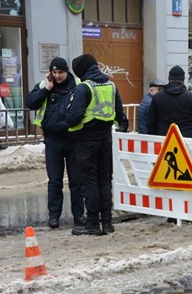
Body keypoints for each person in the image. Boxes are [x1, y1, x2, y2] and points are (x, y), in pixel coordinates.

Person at [66, 53, 129, 236]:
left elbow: (73, 118)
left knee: (89, 182)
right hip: (105, 139)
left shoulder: (83, 88)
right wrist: (121, 130)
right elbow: (120, 114)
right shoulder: (111, 85)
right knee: (104, 181)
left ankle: (93, 224)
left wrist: (67, 116)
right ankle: (107, 223)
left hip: (86, 141)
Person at [26, 57, 85, 229]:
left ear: (67, 71)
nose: (57, 75)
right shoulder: (44, 85)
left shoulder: (79, 85)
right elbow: (31, 103)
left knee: (76, 180)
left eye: (61, 72)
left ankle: (79, 215)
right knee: (54, 181)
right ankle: (54, 216)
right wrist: (46, 89)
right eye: (54, 72)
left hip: (73, 139)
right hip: (53, 140)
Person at [147, 65, 192, 138]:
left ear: (168, 79)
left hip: (163, 139)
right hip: (185, 140)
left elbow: (151, 122)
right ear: (183, 80)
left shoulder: (157, 97)